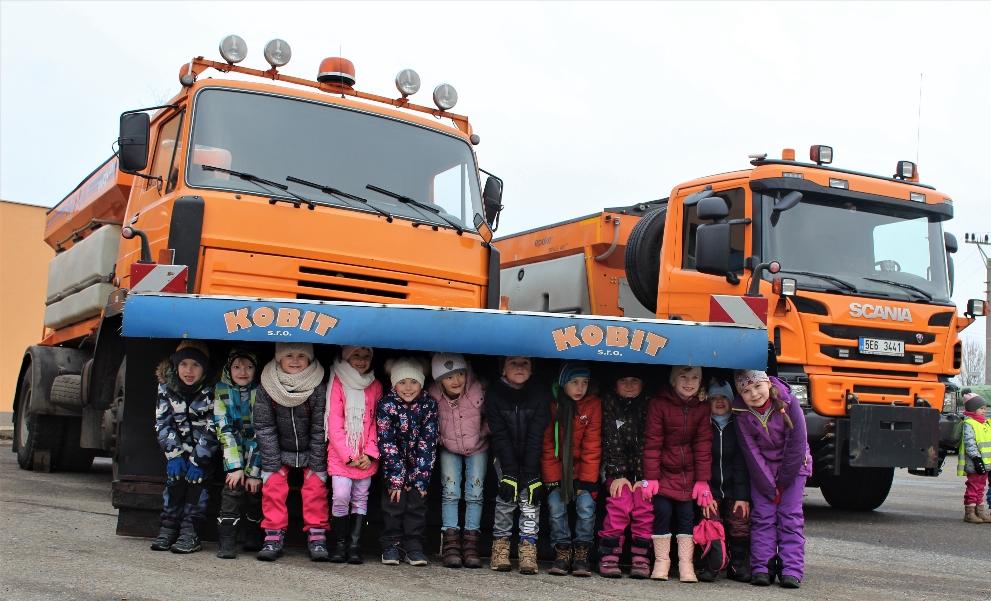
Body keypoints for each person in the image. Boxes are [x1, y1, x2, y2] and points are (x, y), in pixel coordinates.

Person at [733, 370, 811, 589]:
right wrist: (768, 485)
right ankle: (762, 567)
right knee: (763, 517)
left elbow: (797, 442)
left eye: (757, 387)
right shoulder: (741, 412)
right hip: (762, 470)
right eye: (746, 391)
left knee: (789, 516)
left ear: (767, 383)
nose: (754, 394)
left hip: (793, 468)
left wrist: (784, 481)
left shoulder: (788, 402)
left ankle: (791, 569)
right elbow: (751, 451)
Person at [253, 342, 329, 562]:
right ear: (279, 359)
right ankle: (273, 535)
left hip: (310, 450)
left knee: (315, 487)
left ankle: (317, 534)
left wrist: (317, 465)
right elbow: (264, 426)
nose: (295, 360)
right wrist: (272, 464)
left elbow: (319, 428)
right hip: (279, 450)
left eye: (301, 356)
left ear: (310, 360)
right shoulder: (267, 386)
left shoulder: (317, 387)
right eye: (289, 355)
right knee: (274, 486)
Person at [642, 365, 713, 583]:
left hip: (688, 474)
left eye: (694, 378)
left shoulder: (702, 408)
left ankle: (686, 563)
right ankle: (662, 561)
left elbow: (703, 445)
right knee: (662, 511)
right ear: (673, 381)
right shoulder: (659, 404)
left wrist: (702, 480)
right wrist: (651, 476)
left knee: (686, 515)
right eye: (683, 377)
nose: (689, 382)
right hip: (663, 472)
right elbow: (653, 442)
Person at [150, 340, 218, 554]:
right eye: (184, 364)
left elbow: (214, 426)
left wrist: (199, 459)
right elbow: (162, 422)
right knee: (174, 485)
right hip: (177, 452)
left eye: (196, 365)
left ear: (204, 368)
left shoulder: (212, 390)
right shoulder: (166, 388)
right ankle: (168, 528)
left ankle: (190, 533)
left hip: (202, 455)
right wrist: (174, 455)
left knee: (197, 488)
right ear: (175, 366)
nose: (189, 370)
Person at [486, 356, 551, 575]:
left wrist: (532, 474)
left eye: (525, 363)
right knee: (506, 497)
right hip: (504, 457)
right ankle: (501, 545)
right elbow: (499, 435)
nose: (520, 367)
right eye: (514, 363)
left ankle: (528, 547)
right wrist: (510, 473)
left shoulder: (540, 393)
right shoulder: (494, 394)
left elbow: (537, 435)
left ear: (532, 369)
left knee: (530, 499)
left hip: (533, 456)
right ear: (503, 368)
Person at [376, 357, 439, 567]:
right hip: (393, 468)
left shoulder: (428, 405)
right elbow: (386, 441)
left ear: (421, 383)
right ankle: (391, 545)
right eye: (402, 382)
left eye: (413, 381)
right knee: (394, 504)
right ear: (394, 384)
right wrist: (397, 478)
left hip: (419, 466)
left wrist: (419, 479)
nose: (408, 387)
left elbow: (428, 442)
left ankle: (414, 547)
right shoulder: (386, 405)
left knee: (416, 505)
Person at [542, 362, 602, 577]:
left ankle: (581, 554)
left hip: (584, 469)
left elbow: (592, 446)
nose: (580, 388)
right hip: (559, 468)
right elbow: (549, 446)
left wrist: (586, 482)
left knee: (586, 507)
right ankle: (562, 551)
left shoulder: (592, 405)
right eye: (574, 382)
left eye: (584, 383)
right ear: (562, 383)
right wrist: (553, 480)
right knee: (555, 506)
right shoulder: (554, 405)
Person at [428, 353, 488, 569]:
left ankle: (471, 542)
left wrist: (485, 432)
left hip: (477, 446)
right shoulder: (434, 396)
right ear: (439, 380)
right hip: (449, 447)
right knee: (451, 491)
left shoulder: (476, 390)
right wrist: (439, 439)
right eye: (449, 377)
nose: (456, 381)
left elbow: (491, 414)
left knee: (475, 493)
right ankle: (451, 542)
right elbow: (429, 423)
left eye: (460, 374)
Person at [326, 346, 383, 563]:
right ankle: (339, 544)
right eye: (355, 356)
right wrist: (348, 455)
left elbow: (377, 422)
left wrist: (369, 453)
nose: (361, 361)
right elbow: (334, 422)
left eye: (366, 356)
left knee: (360, 498)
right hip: (342, 456)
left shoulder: (375, 385)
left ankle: (354, 545)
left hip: (365, 457)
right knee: (341, 496)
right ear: (346, 357)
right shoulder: (337, 382)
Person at [597, 365, 652, 579]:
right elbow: (611, 440)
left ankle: (641, 557)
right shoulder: (609, 403)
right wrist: (619, 475)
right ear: (615, 384)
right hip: (615, 469)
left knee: (643, 505)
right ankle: (609, 555)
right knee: (619, 504)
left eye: (635, 380)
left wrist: (640, 477)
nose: (629, 385)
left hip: (641, 472)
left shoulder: (648, 405)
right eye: (623, 380)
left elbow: (647, 442)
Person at [698, 379, 751, 582]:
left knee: (739, 519)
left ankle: (738, 564)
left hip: (733, 488)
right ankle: (711, 564)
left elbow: (741, 465)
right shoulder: (704, 425)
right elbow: (701, 460)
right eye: (714, 398)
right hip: (710, 489)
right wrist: (706, 493)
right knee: (709, 520)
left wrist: (742, 496)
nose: (719, 402)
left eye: (724, 398)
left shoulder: (738, 425)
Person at [213, 347, 263, 559]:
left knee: (254, 490)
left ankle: (253, 536)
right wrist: (235, 467)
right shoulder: (221, 390)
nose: (243, 372)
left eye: (249, 367)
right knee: (232, 487)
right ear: (228, 368)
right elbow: (224, 429)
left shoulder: (260, 392)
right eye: (237, 367)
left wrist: (253, 471)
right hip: (231, 449)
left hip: (256, 449)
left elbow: (262, 431)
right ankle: (227, 541)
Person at [958, 395, 991, 524]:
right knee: (973, 487)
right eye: (981, 408)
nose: (984, 411)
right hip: (975, 462)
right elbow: (970, 442)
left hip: (985, 463)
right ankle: (969, 513)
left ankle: (980, 512)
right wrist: (977, 459)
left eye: (985, 408)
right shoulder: (970, 423)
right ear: (972, 409)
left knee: (981, 487)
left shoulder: (985, 423)